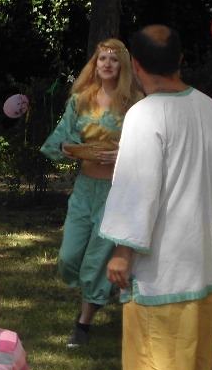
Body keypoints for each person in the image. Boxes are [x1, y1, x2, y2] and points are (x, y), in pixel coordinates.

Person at [99, 25, 212, 370]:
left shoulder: (144, 115)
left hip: (160, 267)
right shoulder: (210, 109)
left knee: (155, 366)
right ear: (180, 59)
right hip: (200, 258)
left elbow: (138, 191)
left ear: (136, 66)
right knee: (189, 359)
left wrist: (122, 252)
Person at [40, 38, 143, 347]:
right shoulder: (80, 100)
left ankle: (83, 323)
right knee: (68, 257)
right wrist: (72, 149)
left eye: (114, 59)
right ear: (95, 64)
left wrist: (123, 154)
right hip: (85, 189)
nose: (107, 64)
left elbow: (148, 148)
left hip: (116, 191)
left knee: (97, 260)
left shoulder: (135, 103)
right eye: (102, 59)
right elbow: (61, 140)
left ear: (123, 65)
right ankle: (101, 291)